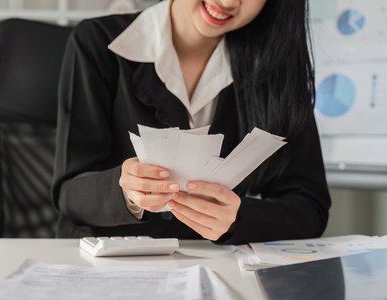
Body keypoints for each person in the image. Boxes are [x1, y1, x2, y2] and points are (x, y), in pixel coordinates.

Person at [52, 0, 331, 244]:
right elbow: (69, 194)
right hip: (107, 261)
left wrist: (237, 220)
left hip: (212, 267)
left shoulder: (274, 64)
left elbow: (309, 208)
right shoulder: (97, 42)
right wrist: (125, 191)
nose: (229, 2)